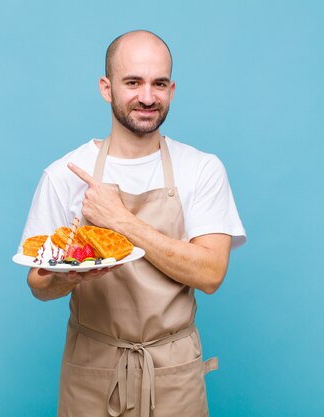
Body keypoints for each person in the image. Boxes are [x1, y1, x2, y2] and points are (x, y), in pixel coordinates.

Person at [17, 30, 246, 417]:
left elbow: (210, 273)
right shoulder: (64, 174)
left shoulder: (202, 169)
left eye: (159, 84)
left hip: (173, 372)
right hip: (93, 368)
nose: (147, 97)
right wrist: (68, 276)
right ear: (106, 89)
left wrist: (120, 220)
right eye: (133, 82)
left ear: (172, 89)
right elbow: (38, 284)